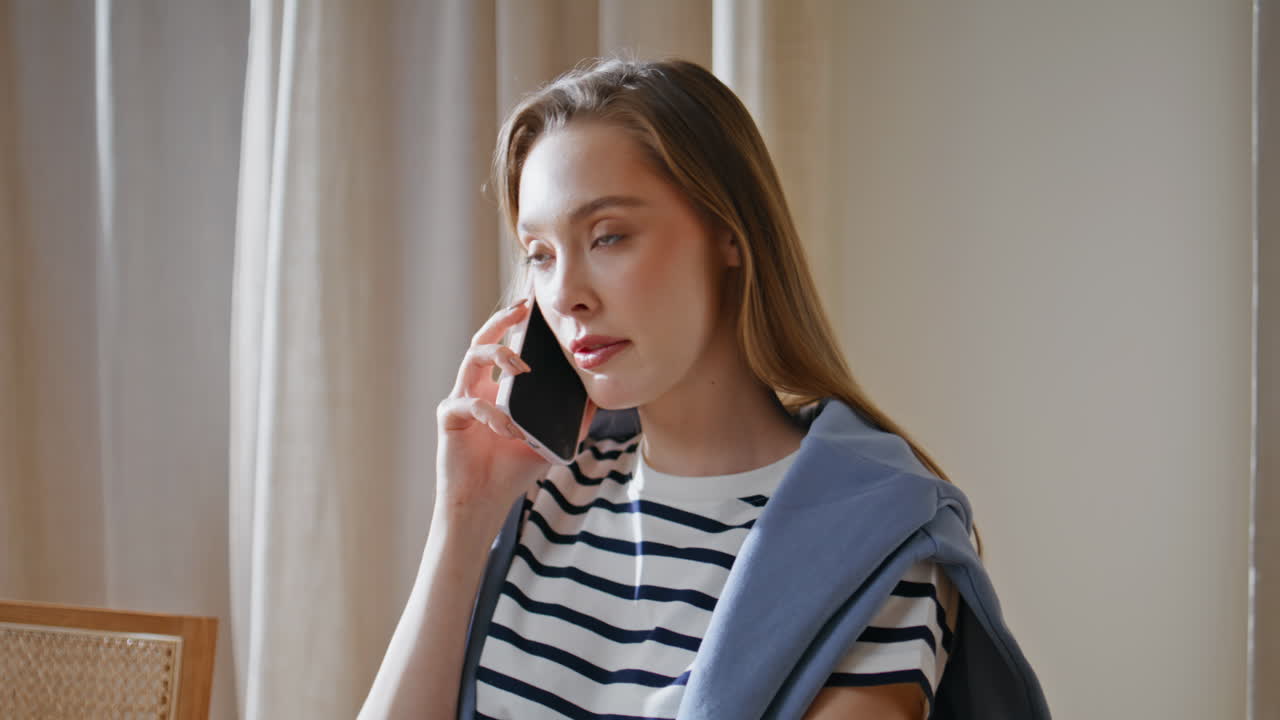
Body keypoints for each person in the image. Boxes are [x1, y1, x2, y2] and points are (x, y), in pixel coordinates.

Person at [359, 58, 1049, 720]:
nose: (564, 295)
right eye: (540, 254)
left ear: (728, 233)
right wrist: (463, 517)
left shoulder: (877, 546)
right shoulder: (541, 495)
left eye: (608, 236)